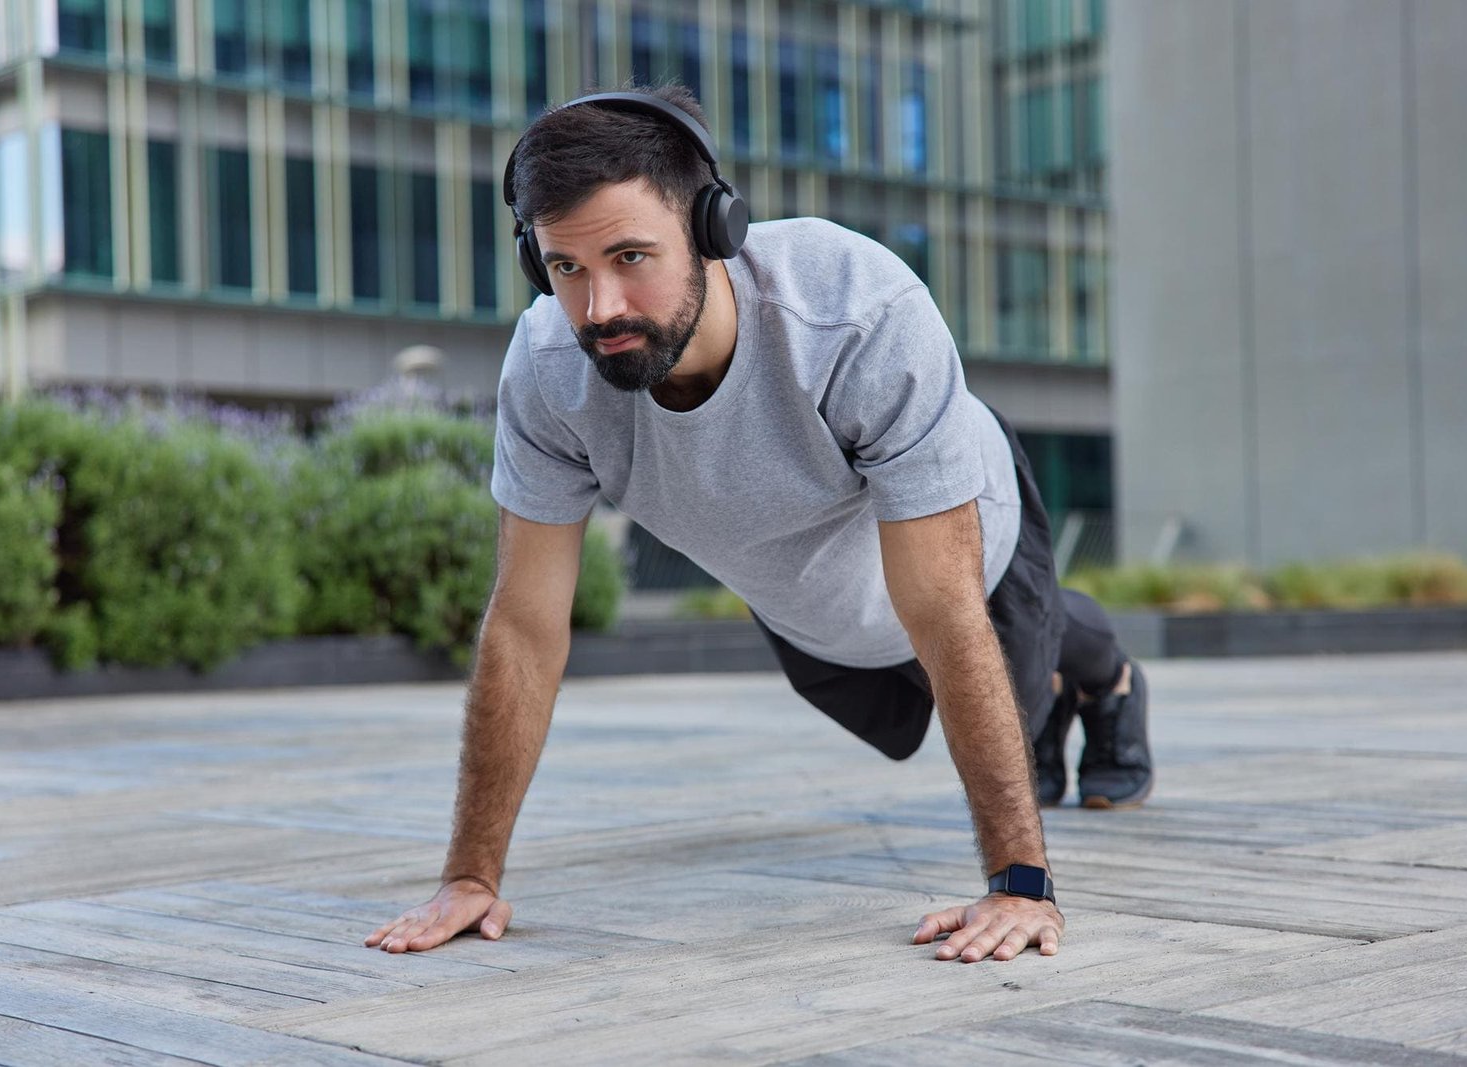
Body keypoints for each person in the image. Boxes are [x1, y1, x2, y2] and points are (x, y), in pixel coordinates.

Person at [364, 86, 1151, 965]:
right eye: (566, 267)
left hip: (967, 548)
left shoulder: (856, 310)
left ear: (715, 230)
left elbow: (942, 603)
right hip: (816, 605)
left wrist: (1020, 883)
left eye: (631, 255)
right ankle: (1054, 687)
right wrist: (471, 874)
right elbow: (522, 626)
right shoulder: (550, 371)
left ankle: (1108, 682)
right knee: (909, 680)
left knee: (1021, 675)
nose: (600, 308)